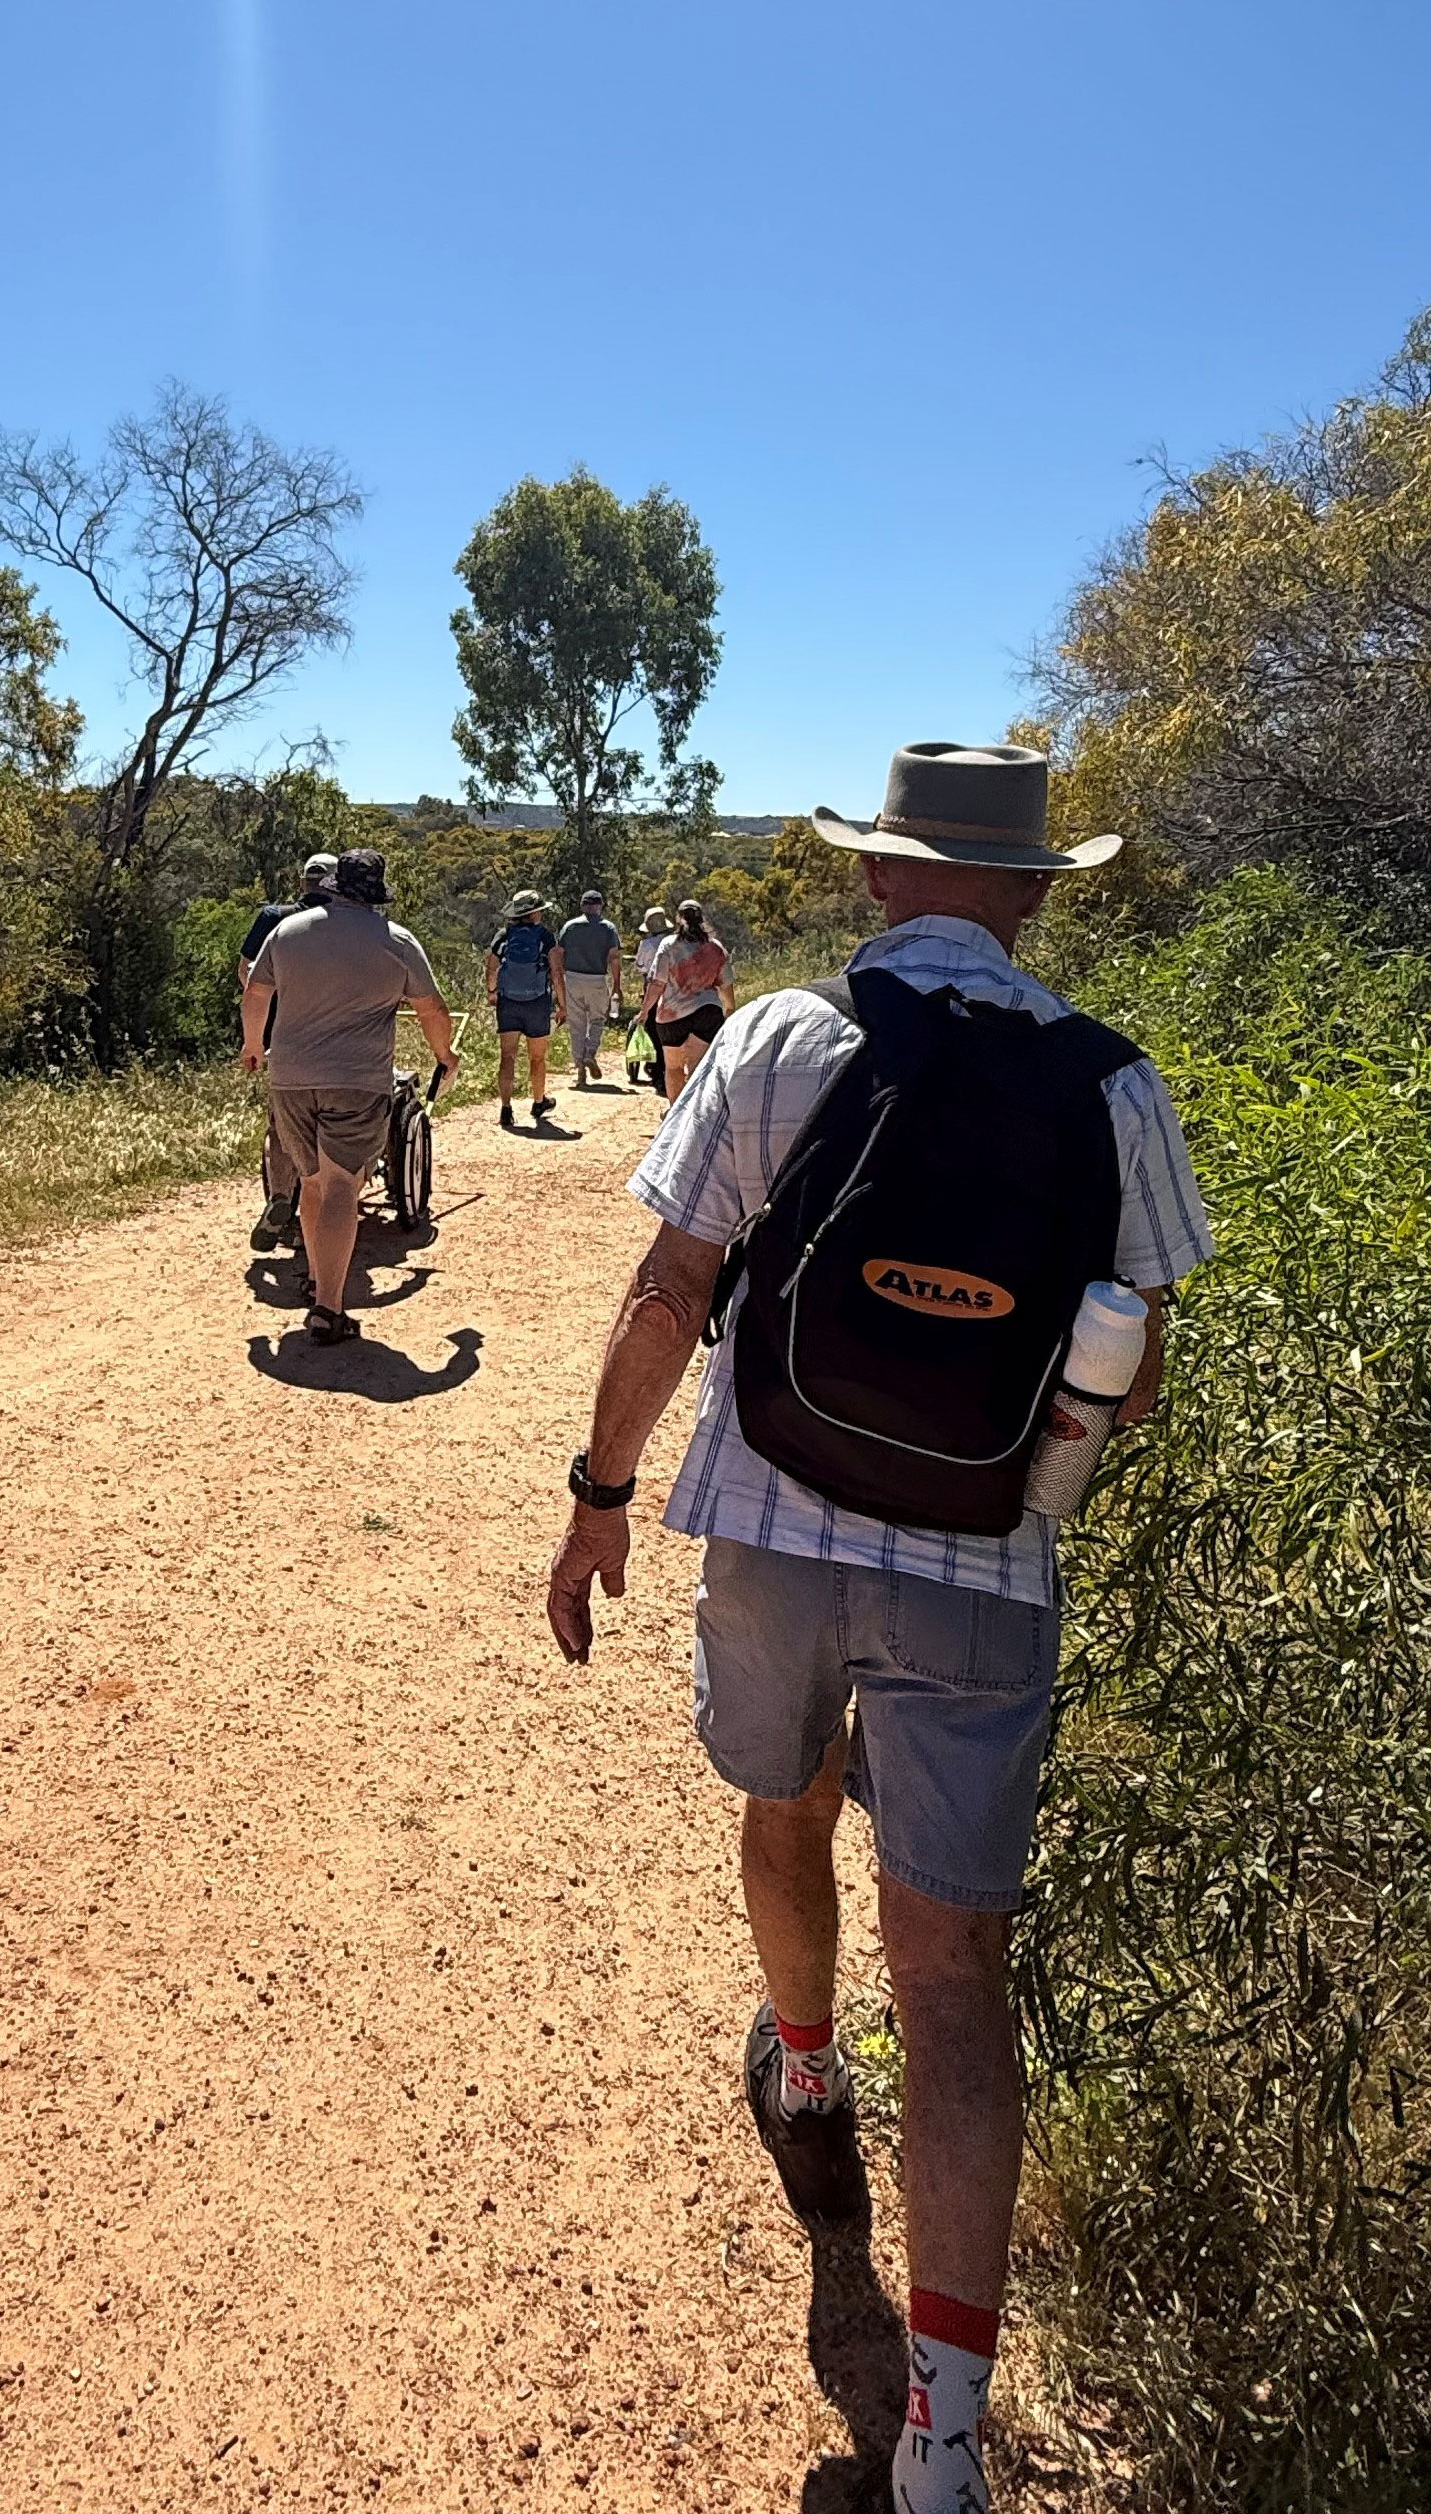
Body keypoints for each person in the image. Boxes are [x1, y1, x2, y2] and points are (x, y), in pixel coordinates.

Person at [542, 744, 1212, 2514]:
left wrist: (599, 1489)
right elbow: (1123, 1375)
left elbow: (672, 1283)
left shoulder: (774, 1035)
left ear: (876, 880)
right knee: (959, 1971)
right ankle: (941, 2435)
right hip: (984, 1570)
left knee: (780, 1803)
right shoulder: (1111, 1085)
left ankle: (807, 2063)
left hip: (769, 1517)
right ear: (1038, 891)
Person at [240, 848, 457, 1345]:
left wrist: (254, 1044)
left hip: (291, 1078)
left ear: (334, 886)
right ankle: (329, 1309)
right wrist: (446, 1055)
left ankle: (318, 1279)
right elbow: (431, 1008)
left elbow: (255, 993)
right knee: (341, 1185)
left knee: (313, 1182)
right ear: (377, 894)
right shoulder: (398, 942)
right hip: (357, 1079)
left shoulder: (288, 932)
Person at [241, 853, 338, 1253]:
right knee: (335, 1119)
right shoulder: (343, 923)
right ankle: (329, 1198)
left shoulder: (272, 918)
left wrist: (256, 1033)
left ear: (303, 883)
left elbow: (246, 970)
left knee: (281, 1123)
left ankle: (281, 1194)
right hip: (337, 1037)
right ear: (335, 884)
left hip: (281, 1037)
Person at [484, 888, 565, 1126]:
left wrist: (492, 992)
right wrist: (562, 1005)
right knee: (537, 1058)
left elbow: (491, 968)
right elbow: (557, 973)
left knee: (507, 1056)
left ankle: (506, 1108)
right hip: (537, 1003)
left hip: (508, 1002)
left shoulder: (503, 935)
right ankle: (538, 1101)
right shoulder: (545, 937)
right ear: (534, 913)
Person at [643, 899, 732, 1098]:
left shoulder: (669, 945)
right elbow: (726, 984)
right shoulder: (715, 947)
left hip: (672, 1014)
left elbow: (658, 982)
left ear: (677, 919)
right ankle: (694, 1116)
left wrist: (644, 1010)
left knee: (673, 1068)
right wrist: (730, 1009)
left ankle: (675, 1112)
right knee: (697, 1068)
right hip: (707, 1011)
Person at [553, 889, 626, 1085]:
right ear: (600, 906)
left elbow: (558, 954)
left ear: (582, 905)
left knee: (576, 1024)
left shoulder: (570, 927)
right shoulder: (608, 928)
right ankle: (590, 1052)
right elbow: (613, 958)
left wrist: (558, 978)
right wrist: (617, 986)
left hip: (573, 978)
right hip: (596, 978)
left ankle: (579, 1070)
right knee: (597, 1019)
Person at [626, 908, 670, 1085]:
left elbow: (641, 968)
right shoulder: (672, 941)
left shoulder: (647, 944)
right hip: (672, 988)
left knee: (652, 1026)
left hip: (652, 985)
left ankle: (655, 1066)